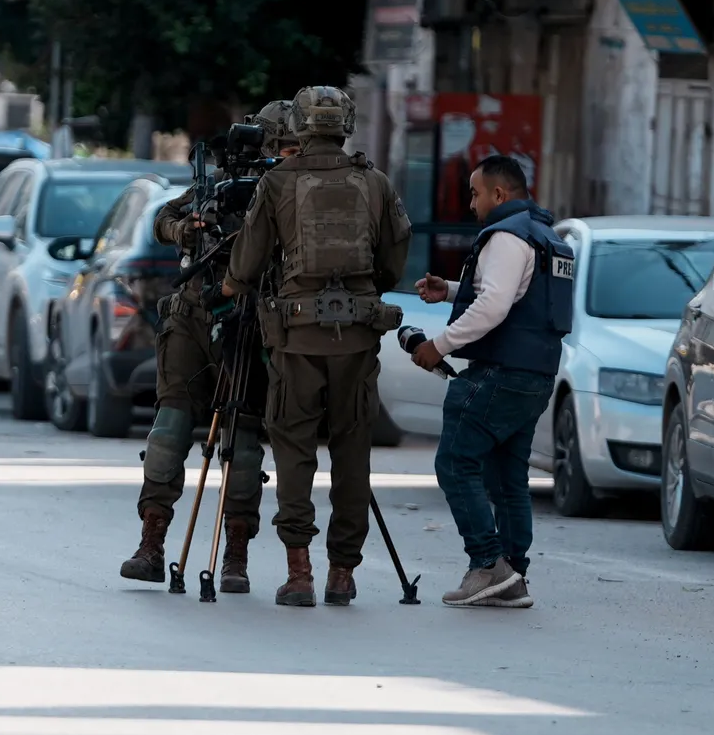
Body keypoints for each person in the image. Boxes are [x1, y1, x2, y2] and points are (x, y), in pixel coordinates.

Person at [223, 86, 410, 607]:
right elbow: (394, 262)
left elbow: (244, 267)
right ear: (346, 123)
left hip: (297, 338)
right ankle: (343, 574)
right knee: (352, 451)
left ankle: (299, 571)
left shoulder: (278, 181)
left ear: (300, 126)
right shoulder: (374, 182)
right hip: (358, 339)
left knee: (294, 451)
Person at [118, 103, 290, 593]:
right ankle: (152, 544)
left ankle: (236, 555)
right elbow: (162, 221)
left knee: (244, 438)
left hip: (251, 319)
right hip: (194, 315)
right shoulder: (211, 187)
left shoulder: (284, 193)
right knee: (169, 428)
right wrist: (188, 225)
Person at [411, 154, 573, 609]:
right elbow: (519, 298)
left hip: (499, 373)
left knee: (455, 463)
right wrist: (451, 288)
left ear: (499, 194)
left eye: (475, 193)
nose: (470, 203)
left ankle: (487, 565)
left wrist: (438, 345)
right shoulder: (546, 237)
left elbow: (495, 306)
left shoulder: (506, 235)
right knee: (507, 478)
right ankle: (512, 576)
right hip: (535, 374)